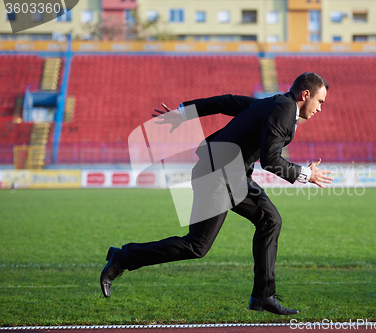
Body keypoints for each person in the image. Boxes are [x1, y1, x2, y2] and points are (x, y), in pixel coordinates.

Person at [100, 72, 333, 315]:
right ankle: (122, 258)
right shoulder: (283, 109)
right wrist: (306, 174)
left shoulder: (272, 103)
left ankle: (263, 296)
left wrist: (183, 113)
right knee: (196, 246)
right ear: (305, 94)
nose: (319, 108)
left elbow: (227, 102)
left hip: (230, 174)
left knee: (270, 221)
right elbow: (271, 160)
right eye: (320, 102)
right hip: (217, 174)